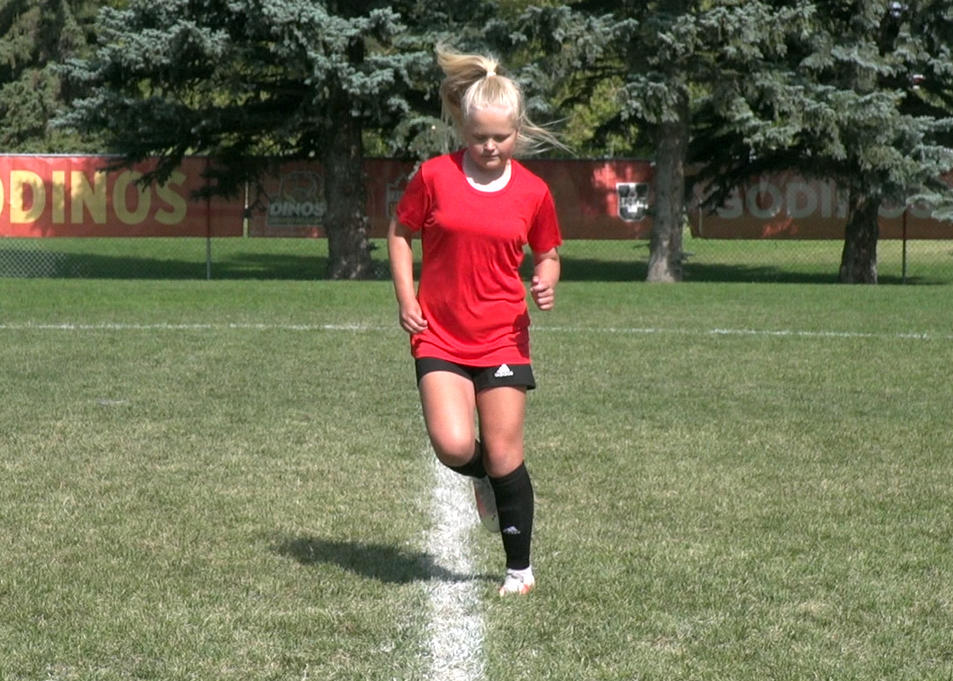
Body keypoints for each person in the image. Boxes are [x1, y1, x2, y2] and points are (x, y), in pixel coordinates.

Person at [387, 45, 563, 597]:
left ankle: (519, 572)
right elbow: (399, 232)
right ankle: (484, 478)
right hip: (438, 331)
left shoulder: (534, 191)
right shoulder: (434, 176)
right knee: (454, 445)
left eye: (501, 137)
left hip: (503, 336)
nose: (489, 146)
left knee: (507, 451)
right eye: (479, 135)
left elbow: (549, 252)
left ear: (517, 130)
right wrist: (405, 296)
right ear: (462, 127)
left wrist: (547, 278)